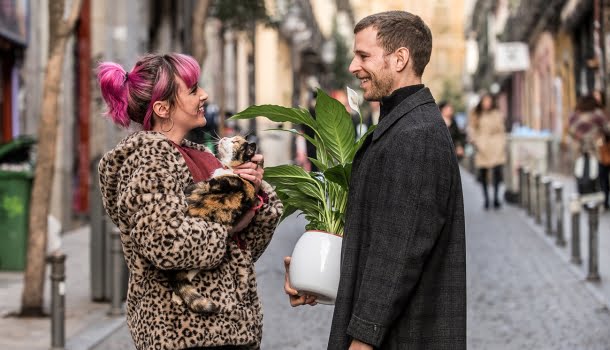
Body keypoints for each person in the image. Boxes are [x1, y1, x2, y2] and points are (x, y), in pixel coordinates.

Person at [284, 11, 466, 350]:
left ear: (400, 59)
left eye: (364, 55)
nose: (353, 66)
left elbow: (398, 255)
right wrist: (313, 270)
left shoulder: (416, 135)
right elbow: (379, 233)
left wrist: (362, 340)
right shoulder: (403, 125)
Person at [96, 53, 283, 350]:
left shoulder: (200, 156)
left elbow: (241, 253)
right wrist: (228, 227)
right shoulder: (149, 159)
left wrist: (253, 192)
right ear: (162, 108)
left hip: (230, 331)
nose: (204, 95)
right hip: (182, 333)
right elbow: (166, 245)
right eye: (193, 89)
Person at [568, 94, 610, 207]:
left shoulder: (575, 115)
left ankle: (583, 198)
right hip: (595, 148)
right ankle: (603, 200)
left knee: (580, 173)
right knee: (599, 175)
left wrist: (579, 136)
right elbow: (607, 127)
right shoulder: (597, 114)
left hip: (579, 149)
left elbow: (570, 130)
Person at [468, 93, 506, 209]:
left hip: (496, 146)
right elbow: (472, 128)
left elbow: (501, 130)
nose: (487, 103)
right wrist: (475, 141)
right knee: (483, 173)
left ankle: (495, 198)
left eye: (489, 101)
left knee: (497, 172)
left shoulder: (496, 113)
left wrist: (501, 143)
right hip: (482, 146)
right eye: (485, 101)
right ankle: (486, 199)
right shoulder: (476, 114)